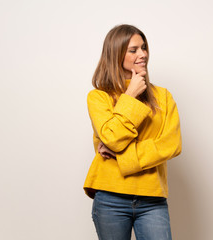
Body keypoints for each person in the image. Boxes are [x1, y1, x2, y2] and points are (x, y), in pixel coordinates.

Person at [83, 24, 182, 240]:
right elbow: (112, 138)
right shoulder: (99, 97)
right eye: (133, 50)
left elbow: (171, 144)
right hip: (110, 197)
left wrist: (121, 155)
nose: (143, 54)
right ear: (116, 54)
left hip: (152, 198)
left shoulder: (163, 96)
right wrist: (130, 95)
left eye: (144, 47)